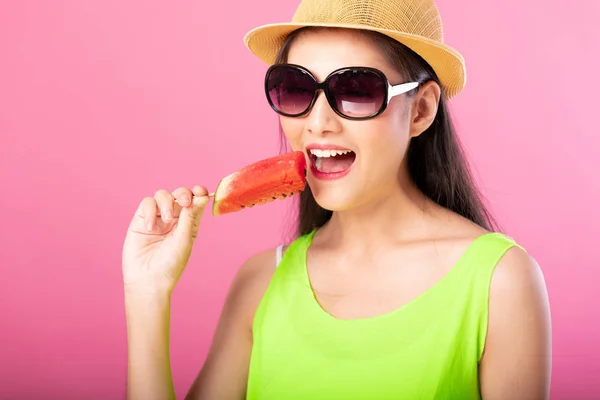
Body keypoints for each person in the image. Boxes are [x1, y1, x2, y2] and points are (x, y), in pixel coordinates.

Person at [122, 0, 552, 398]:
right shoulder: (260, 283)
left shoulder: (501, 282)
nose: (318, 122)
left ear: (420, 110)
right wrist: (147, 292)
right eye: (296, 88)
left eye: (358, 90)